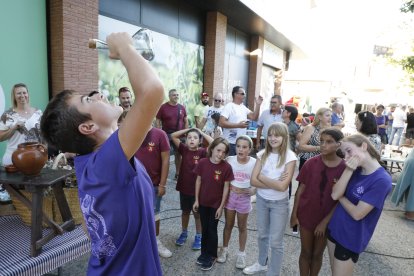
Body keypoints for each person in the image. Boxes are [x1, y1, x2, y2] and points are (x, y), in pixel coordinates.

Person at [40, 32, 164, 275]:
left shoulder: (90, 164)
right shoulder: (106, 162)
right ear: (88, 128)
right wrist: (126, 48)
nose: (98, 93)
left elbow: (90, 226)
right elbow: (152, 91)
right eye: (88, 99)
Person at [327, 134, 392, 276]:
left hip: (350, 237)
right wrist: (349, 170)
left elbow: (357, 214)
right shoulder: (354, 169)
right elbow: (334, 195)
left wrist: (341, 197)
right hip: (335, 228)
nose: (346, 158)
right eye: (344, 154)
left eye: (349, 151)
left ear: (364, 146)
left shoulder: (382, 180)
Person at [290, 128, 346, 276]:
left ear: (338, 144)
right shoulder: (310, 163)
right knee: (306, 252)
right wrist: (294, 214)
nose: (323, 145)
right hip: (307, 214)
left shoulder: (345, 168)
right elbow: (300, 190)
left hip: (327, 218)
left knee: (317, 254)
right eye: (321, 141)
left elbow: (341, 200)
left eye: (328, 142)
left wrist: (325, 222)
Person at [244, 123, 297, 276]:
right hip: (261, 200)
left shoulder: (289, 157)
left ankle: (273, 272)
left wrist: (261, 176)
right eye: (270, 135)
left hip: (279, 204)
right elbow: (253, 181)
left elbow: (282, 187)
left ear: (284, 137)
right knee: (262, 235)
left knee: (276, 242)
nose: (273, 138)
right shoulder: (262, 154)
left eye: (277, 135)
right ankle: (261, 263)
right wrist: (273, 182)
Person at [193, 137, 234, 271]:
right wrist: (197, 200)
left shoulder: (226, 167)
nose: (220, 154)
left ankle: (212, 256)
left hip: (215, 205)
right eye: (218, 150)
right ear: (211, 149)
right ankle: (204, 253)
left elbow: (226, 188)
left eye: (224, 152)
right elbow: (198, 181)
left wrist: (221, 207)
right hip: (203, 203)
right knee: (204, 228)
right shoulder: (203, 163)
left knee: (212, 229)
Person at [217, 135, 256, 269]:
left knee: (242, 227)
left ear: (250, 149)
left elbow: (260, 178)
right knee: (228, 225)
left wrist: (254, 190)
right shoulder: (229, 160)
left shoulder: (255, 163)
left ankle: (241, 254)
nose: (240, 149)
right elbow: (217, 162)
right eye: (238, 146)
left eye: (244, 147)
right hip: (230, 196)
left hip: (244, 198)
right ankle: (225, 249)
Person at [171, 128, 213, 250]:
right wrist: (189, 129)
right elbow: (173, 135)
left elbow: (213, 143)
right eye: (189, 137)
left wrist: (201, 132)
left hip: (197, 191)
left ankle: (199, 236)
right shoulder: (184, 149)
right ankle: (184, 232)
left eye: (195, 138)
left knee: (197, 214)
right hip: (184, 188)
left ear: (200, 141)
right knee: (185, 212)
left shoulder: (202, 152)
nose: (191, 140)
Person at [0, 83, 43, 203]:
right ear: (14, 96)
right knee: (16, 197)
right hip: (13, 159)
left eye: (24, 92)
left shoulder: (38, 113)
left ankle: (31, 219)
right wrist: (13, 128)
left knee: (34, 195)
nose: (22, 95)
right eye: (18, 93)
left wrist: (45, 152)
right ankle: (21, 219)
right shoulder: (7, 115)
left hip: (35, 159)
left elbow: (44, 135)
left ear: (28, 94)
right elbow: (1, 137)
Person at [135, 126, 172, 258]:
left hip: (153, 184)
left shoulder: (160, 134)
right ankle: (139, 244)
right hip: (134, 184)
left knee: (155, 213)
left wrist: (163, 184)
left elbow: (166, 159)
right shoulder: (131, 130)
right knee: (135, 214)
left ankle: (156, 241)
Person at [219, 86, 263, 156]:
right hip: (230, 143)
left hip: (240, 144)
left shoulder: (243, 107)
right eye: (242, 94)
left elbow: (254, 117)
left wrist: (258, 105)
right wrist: (238, 125)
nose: (244, 96)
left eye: (244, 94)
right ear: (235, 94)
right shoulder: (229, 106)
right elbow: (221, 122)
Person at [156, 89, 189, 179]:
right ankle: (161, 174)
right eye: (174, 95)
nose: (176, 96)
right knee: (164, 154)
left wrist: (186, 132)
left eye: (177, 95)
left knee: (178, 155)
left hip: (180, 136)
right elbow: (158, 120)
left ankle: (178, 173)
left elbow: (186, 120)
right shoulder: (163, 107)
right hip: (166, 135)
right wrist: (159, 132)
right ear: (169, 96)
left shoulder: (182, 107)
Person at [391, 149, 414, 220]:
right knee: (412, 191)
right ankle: (410, 214)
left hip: (411, 159)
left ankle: (409, 212)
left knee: (410, 189)